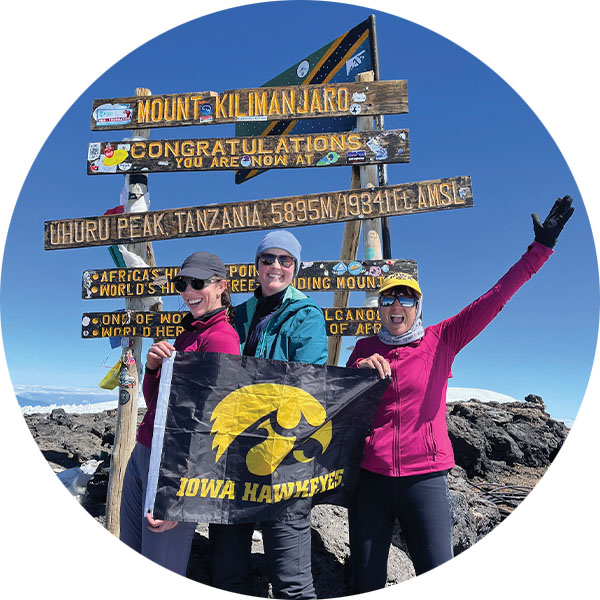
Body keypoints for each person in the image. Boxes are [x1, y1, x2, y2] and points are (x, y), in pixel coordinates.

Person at [346, 196, 574, 592]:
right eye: (388, 298)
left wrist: (541, 249)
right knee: (365, 582)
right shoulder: (364, 349)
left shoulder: (443, 338)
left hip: (426, 479)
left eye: (406, 298)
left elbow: (496, 297)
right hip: (371, 481)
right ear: (380, 307)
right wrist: (357, 373)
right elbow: (339, 400)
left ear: (419, 306)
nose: (396, 305)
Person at [209, 230, 328, 599]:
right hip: (231, 458)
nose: (275, 266)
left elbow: (308, 379)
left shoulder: (306, 315)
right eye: (268, 259)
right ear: (257, 265)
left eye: (285, 260)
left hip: (285, 457)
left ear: (296, 267)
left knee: (292, 583)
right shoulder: (237, 314)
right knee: (228, 576)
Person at [119, 251, 240, 575]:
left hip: (174, 467)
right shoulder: (189, 332)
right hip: (145, 452)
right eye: (182, 283)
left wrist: (183, 494)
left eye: (198, 282)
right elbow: (156, 401)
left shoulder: (221, 338)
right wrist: (153, 367)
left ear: (220, 286)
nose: (188, 291)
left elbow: (214, 422)